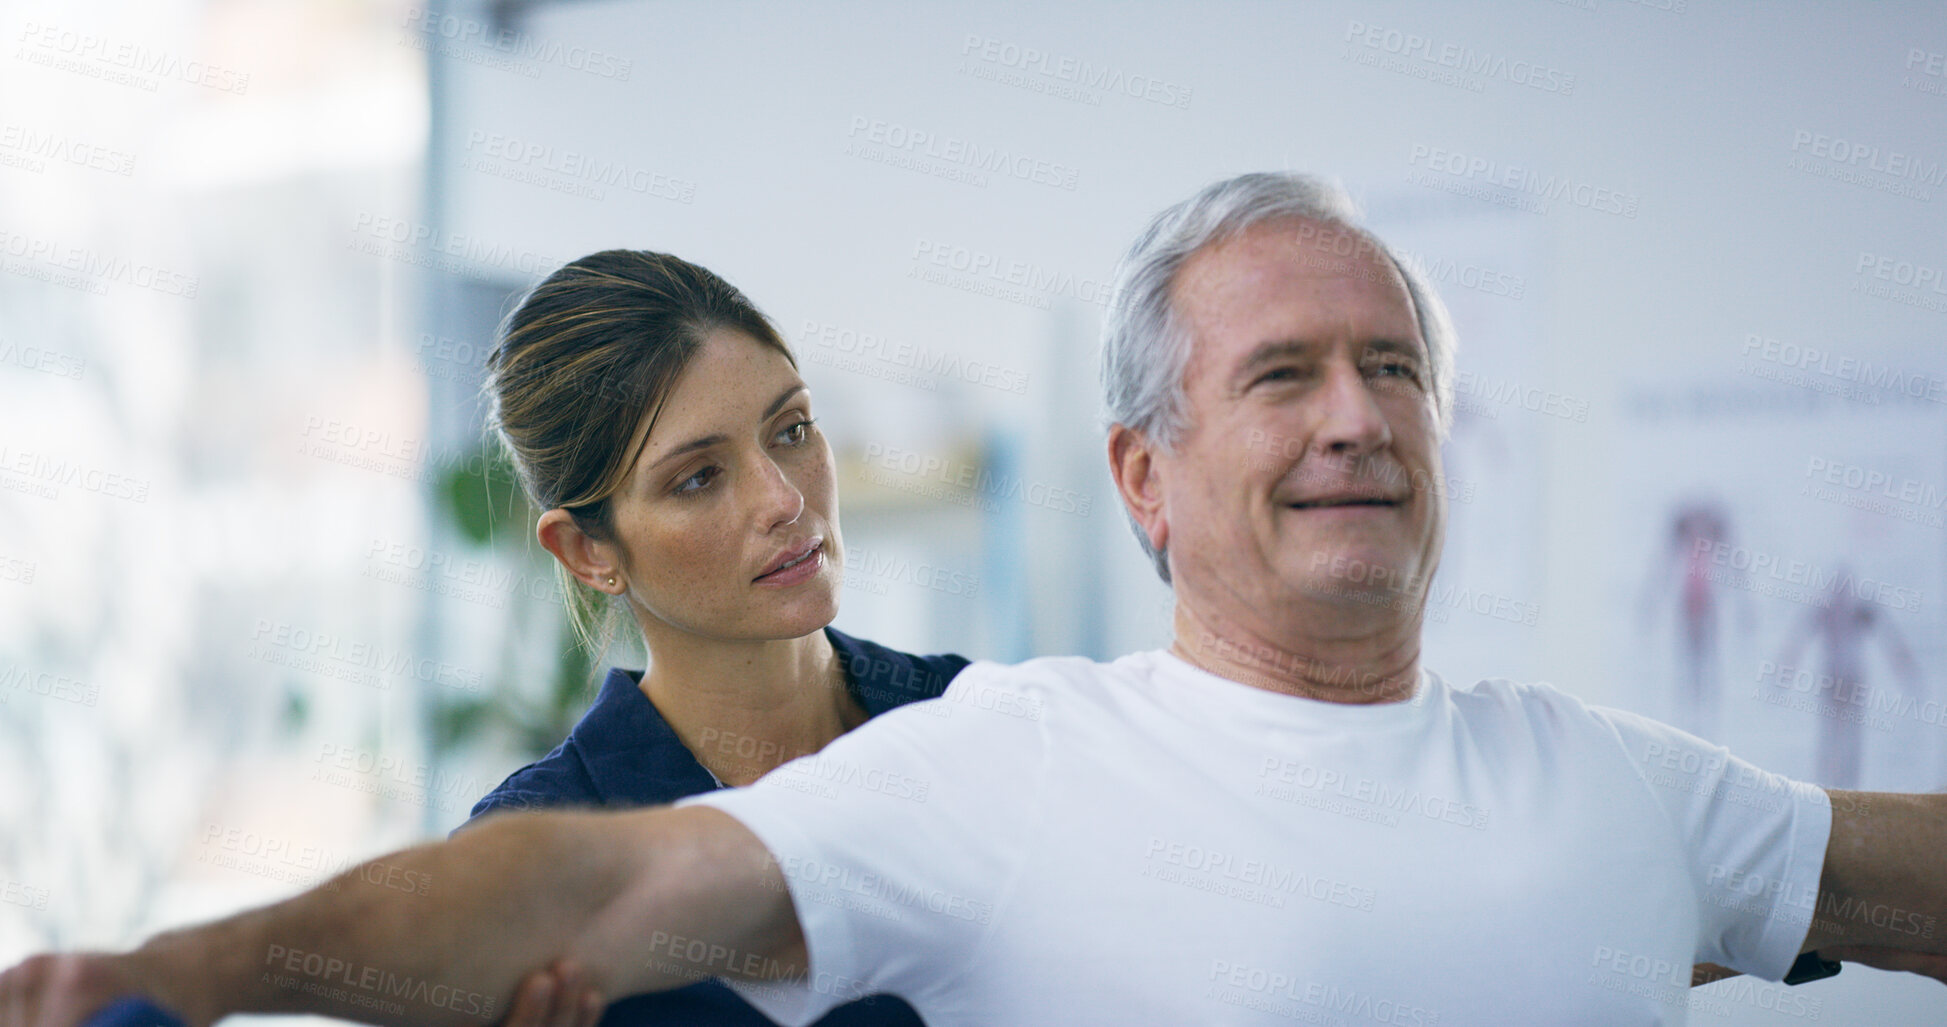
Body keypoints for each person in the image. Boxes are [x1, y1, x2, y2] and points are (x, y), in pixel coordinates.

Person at [8, 172, 1947, 1027]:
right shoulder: (999, 767)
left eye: (1395, 370)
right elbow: (587, 892)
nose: (783, 501)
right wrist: (190, 974)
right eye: (1280, 376)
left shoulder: (965, 707)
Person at [460, 250, 967, 1027]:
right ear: (588, 551)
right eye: (698, 476)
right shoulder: (529, 870)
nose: (784, 496)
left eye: (792, 428)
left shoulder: (972, 724)